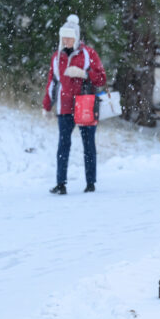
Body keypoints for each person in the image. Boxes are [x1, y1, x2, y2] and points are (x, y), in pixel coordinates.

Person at [42, 14, 106, 194]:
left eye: (70, 37)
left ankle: (90, 183)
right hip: (64, 107)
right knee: (63, 145)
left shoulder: (88, 54)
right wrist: (46, 105)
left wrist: (84, 74)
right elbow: (52, 82)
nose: (67, 40)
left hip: (84, 104)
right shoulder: (56, 57)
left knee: (88, 145)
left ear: (77, 37)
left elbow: (101, 78)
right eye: (64, 37)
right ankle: (61, 184)